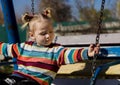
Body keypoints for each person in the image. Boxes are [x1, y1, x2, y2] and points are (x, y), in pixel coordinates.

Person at [0, 8, 100, 85]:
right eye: (43, 33)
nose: (48, 36)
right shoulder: (23, 47)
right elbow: (5, 48)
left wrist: (87, 53)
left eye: (51, 32)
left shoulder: (56, 51)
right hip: (16, 79)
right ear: (32, 35)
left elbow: (70, 54)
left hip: (36, 82)